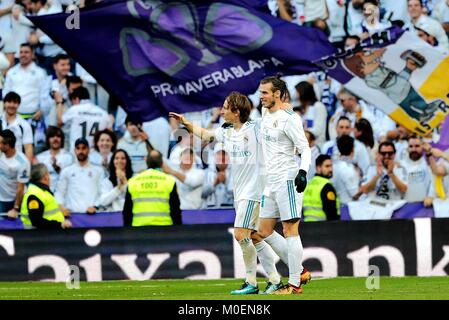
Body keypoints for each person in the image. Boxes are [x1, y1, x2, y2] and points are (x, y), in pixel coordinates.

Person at [170, 91, 284, 295]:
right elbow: (205, 135)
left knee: (241, 234)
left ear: (236, 111)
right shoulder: (227, 131)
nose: (221, 110)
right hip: (239, 192)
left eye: (225, 107)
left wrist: (273, 93)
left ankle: (251, 282)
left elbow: (276, 113)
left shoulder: (256, 127)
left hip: (253, 191)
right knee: (255, 236)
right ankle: (275, 280)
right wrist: (186, 123)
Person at [257, 76, 312, 294]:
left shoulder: (291, 119)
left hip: (287, 179)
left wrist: (302, 172)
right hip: (270, 181)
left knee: (290, 229)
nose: (260, 97)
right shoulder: (264, 112)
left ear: (277, 94)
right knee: (263, 231)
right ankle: (300, 270)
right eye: (260, 92)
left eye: (265, 93)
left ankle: (294, 283)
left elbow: (305, 148)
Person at [122, 149, 181, 226]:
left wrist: (128, 231)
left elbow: (127, 211)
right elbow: (175, 209)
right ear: (162, 163)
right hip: (165, 228)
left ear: (146, 161)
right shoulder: (169, 181)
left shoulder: (133, 181)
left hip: (138, 229)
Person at [55, 137, 104, 215]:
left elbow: (103, 192)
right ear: (75, 151)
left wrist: (96, 206)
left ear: (88, 150)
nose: (81, 151)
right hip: (72, 216)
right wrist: (61, 206)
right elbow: (59, 192)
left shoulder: (98, 170)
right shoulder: (66, 171)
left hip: (92, 215)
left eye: (84, 148)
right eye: (78, 148)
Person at [20, 163, 72, 229]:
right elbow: (37, 221)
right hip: (39, 235)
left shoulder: (41, 190)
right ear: (45, 177)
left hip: (48, 232)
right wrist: (60, 224)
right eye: (48, 174)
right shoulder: (34, 195)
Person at [60, 86, 112, 151]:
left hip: (77, 153)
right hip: (95, 153)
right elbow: (110, 132)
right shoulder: (103, 113)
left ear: (76, 99)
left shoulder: (74, 109)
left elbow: (59, 122)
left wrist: (58, 102)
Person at [0, 129, 30, 218]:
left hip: (15, 200)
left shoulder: (23, 163)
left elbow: (20, 188)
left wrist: (16, 208)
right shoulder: (1, 154)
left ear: (7, 146)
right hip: (1, 199)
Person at [35, 126, 73, 193]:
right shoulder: (40, 157)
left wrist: (58, 169)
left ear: (62, 139)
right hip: (44, 194)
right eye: (52, 136)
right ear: (48, 139)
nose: (55, 139)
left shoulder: (69, 157)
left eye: (58, 136)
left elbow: (71, 179)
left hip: (63, 194)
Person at [303, 154, 340, 222]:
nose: (330, 169)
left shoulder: (309, 184)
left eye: (331, 166)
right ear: (318, 168)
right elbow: (331, 212)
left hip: (307, 225)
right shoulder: (326, 186)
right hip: (323, 227)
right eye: (327, 166)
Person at [0, 91, 34, 161]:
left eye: (15, 102)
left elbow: (28, 148)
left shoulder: (24, 125)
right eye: (9, 102)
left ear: (18, 104)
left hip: (17, 164)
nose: (12, 105)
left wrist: (27, 167)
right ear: (4, 103)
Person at [295, 81, 327, 148]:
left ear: (303, 93)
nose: (296, 96)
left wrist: (303, 133)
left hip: (316, 146)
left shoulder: (319, 106)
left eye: (297, 93)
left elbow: (318, 129)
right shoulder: (300, 109)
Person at [201, 144, 234, 208]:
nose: (222, 157)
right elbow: (201, 194)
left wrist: (226, 181)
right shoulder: (206, 172)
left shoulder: (235, 173)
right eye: (219, 154)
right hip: (209, 212)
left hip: (230, 212)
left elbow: (239, 194)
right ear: (214, 156)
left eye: (225, 154)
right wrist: (214, 183)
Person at [332, 135, 362, 205]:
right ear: (353, 149)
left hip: (338, 205)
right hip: (347, 208)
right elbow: (355, 195)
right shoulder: (348, 169)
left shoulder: (334, 165)